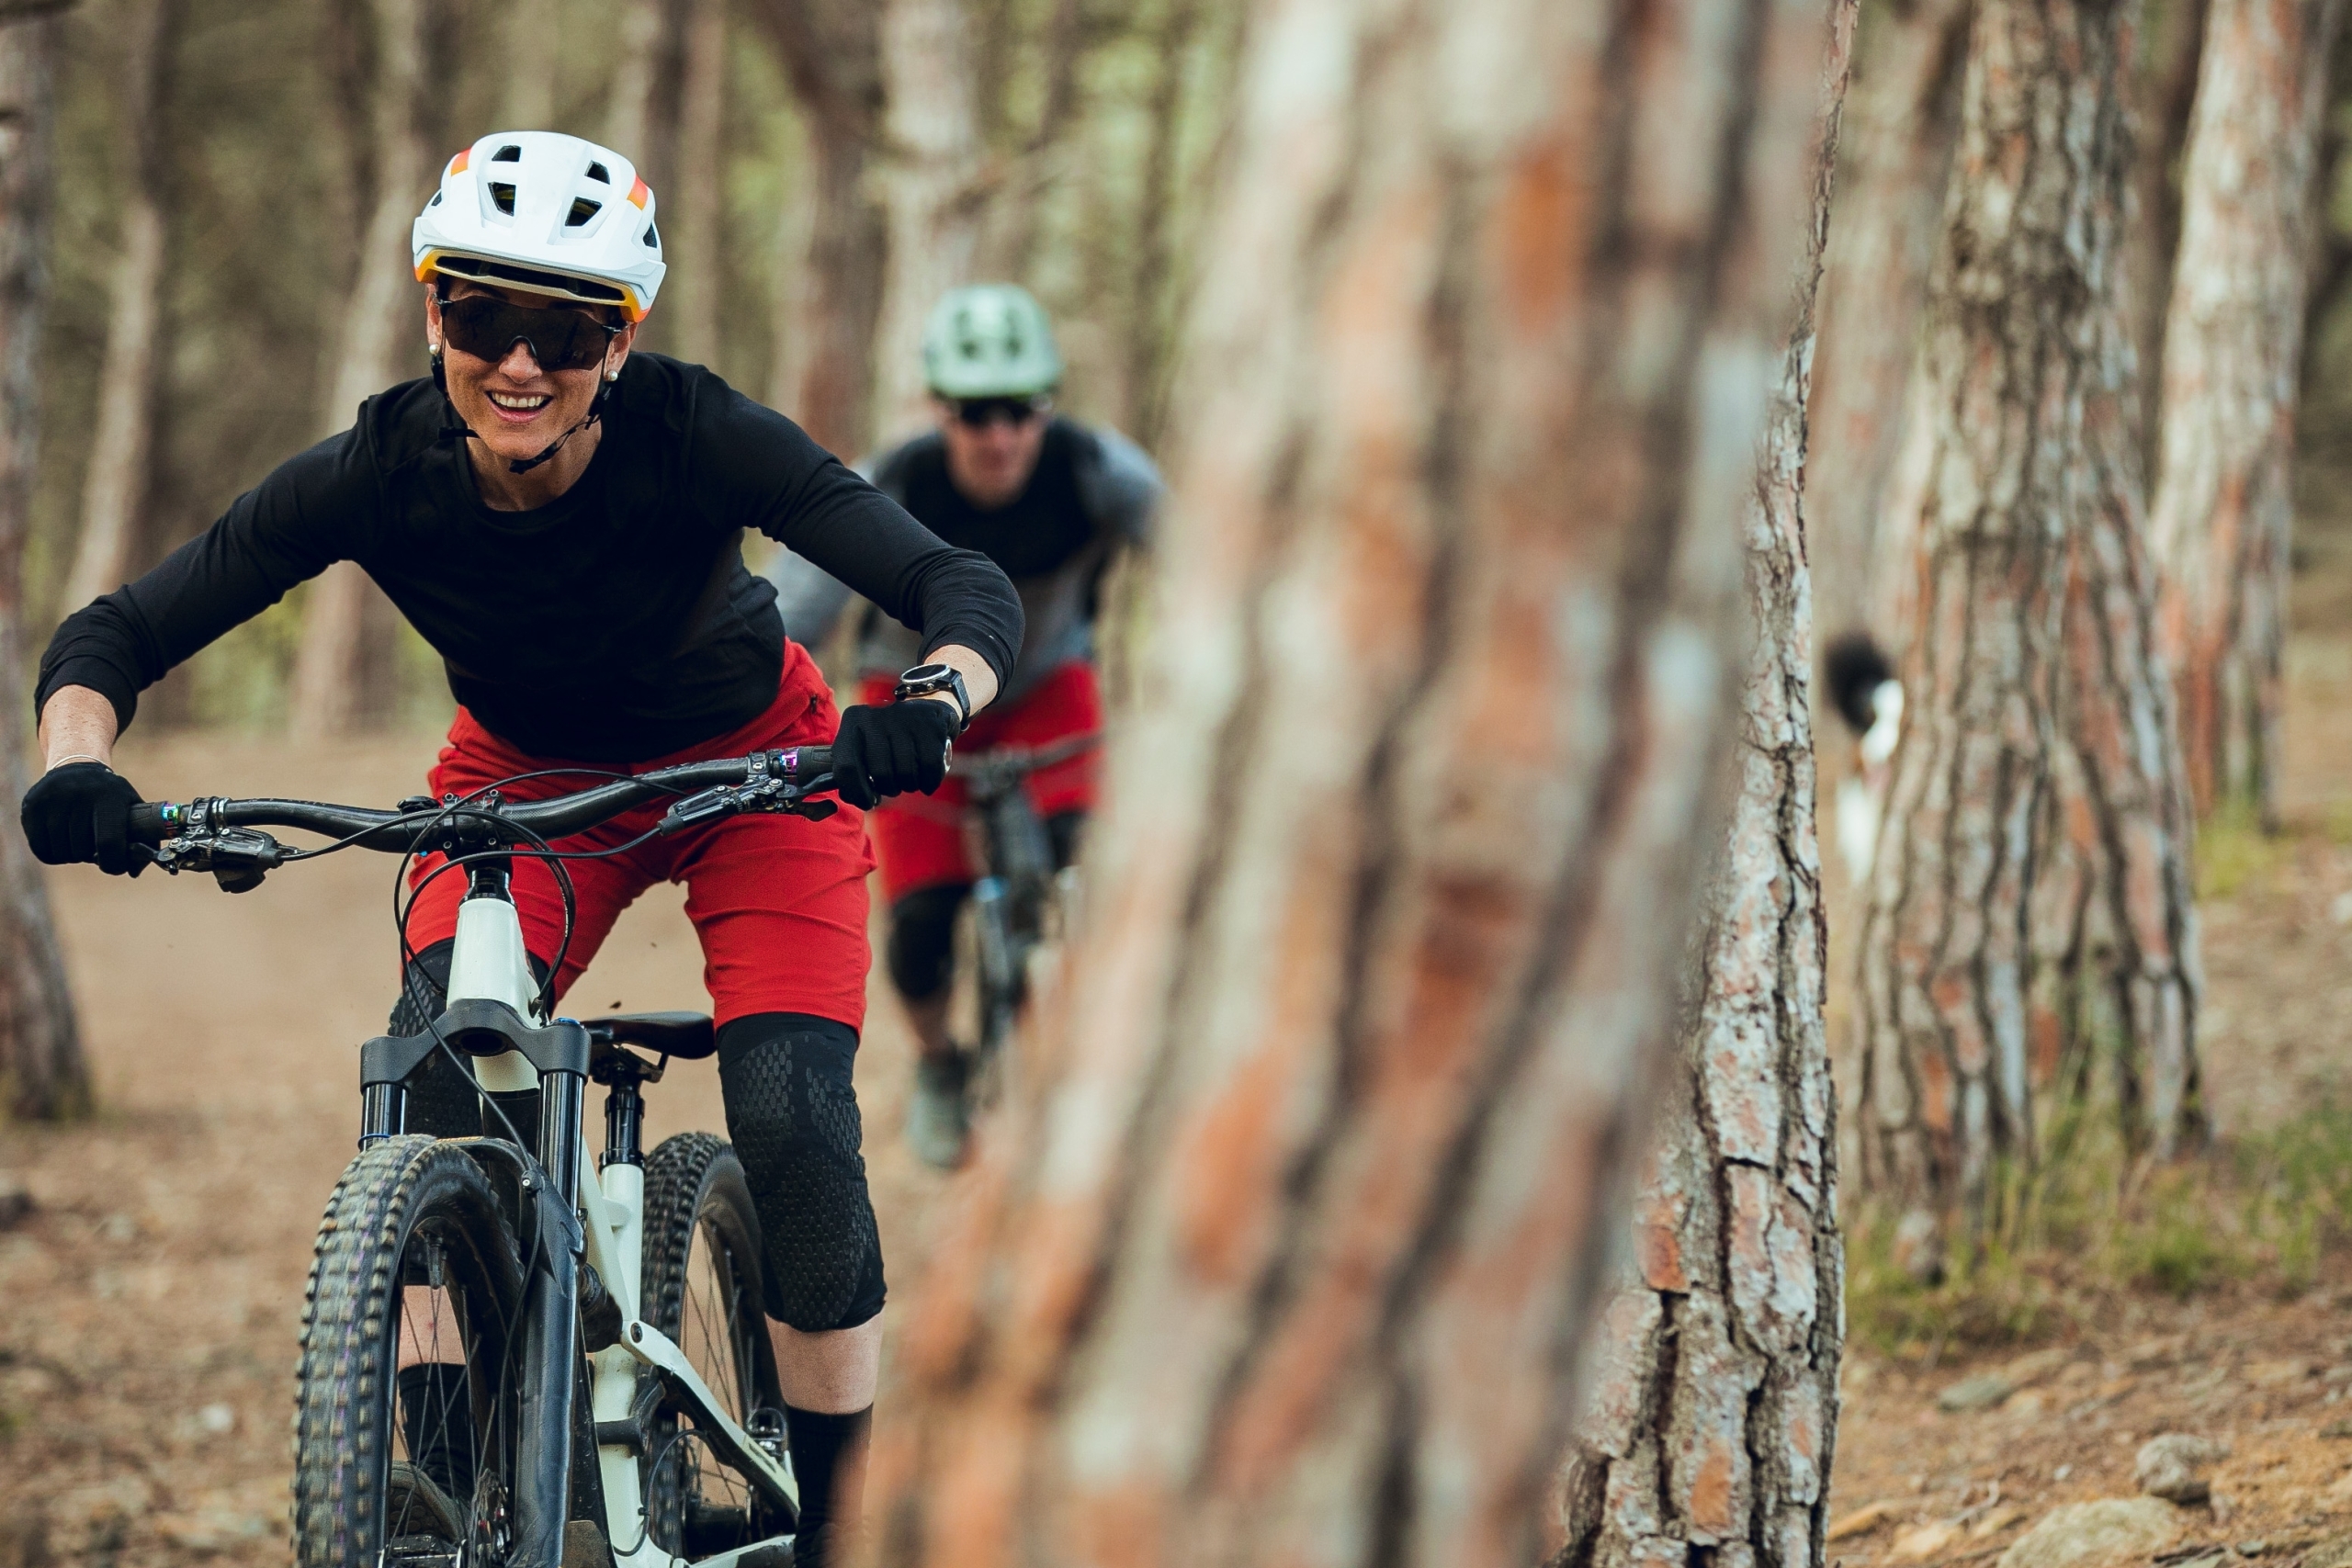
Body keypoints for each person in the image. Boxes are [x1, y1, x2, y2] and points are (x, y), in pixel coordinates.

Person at [17, 131, 1019, 1567]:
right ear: (434, 311)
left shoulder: (696, 433)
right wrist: (76, 763)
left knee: (792, 1108)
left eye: (568, 328)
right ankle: (424, 1497)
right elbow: (116, 632)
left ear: (624, 340)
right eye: (484, 316)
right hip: (520, 784)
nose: (520, 363)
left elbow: (955, 581)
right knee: (435, 1086)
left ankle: (843, 1522)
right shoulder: (381, 466)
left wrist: (934, 699)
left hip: (759, 770)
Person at [769, 283, 1159, 1169]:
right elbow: (796, 607)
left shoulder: (1099, 470)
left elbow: (1206, 557)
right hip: (915, 696)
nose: (1000, 436)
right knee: (921, 926)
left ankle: (1072, 1042)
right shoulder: (893, 483)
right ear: (941, 410)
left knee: (1092, 858)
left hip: (1049, 686)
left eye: (1020, 411)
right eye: (977, 413)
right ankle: (943, 1062)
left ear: (1046, 407)